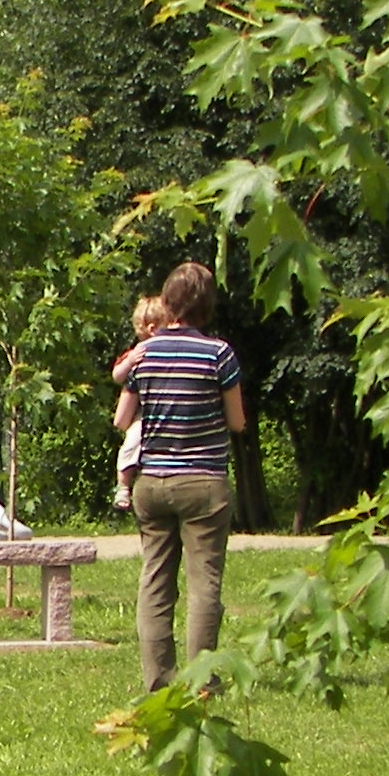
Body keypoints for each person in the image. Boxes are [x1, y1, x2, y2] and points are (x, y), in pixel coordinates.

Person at [112, 261, 247, 692]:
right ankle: (200, 680)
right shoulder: (218, 353)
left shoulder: (145, 353)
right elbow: (238, 421)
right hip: (204, 481)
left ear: (167, 303)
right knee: (204, 583)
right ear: (207, 305)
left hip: (151, 481)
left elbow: (123, 418)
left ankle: (159, 681)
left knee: (155, 581)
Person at [109, 294, 175, 511]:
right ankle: (123, 485)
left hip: (155, 409)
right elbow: (117, 375)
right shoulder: (137, 353)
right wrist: (129, 362)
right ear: (153, 329)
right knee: (131, 443)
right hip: (140, 413)